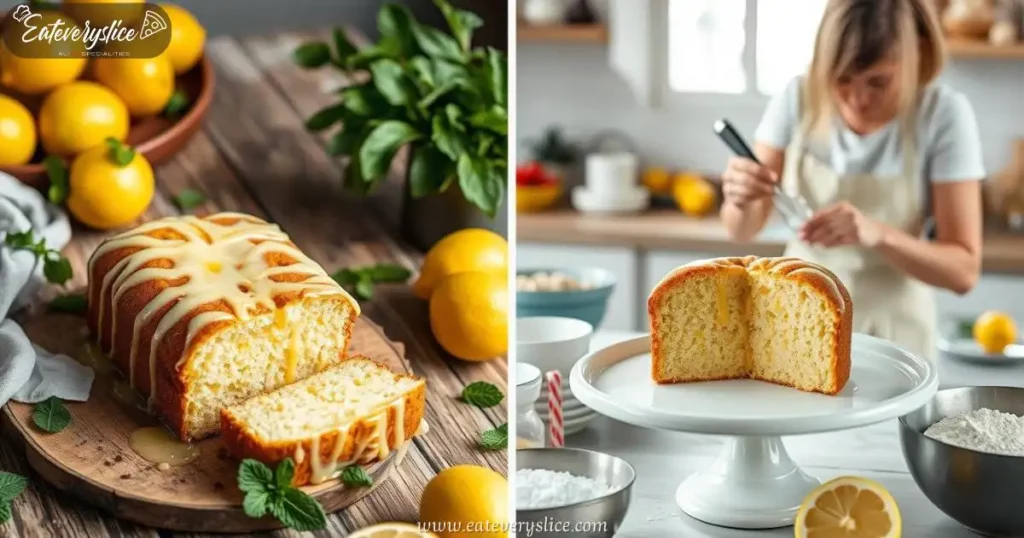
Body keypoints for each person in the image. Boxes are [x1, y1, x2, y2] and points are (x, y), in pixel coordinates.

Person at [720, 0, 984, 361]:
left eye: (879, 82)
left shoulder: (941, 114)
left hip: (896, 335)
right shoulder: (797, 97)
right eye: (842, 79)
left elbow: (963, 272)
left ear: (916, 55)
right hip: (795, 318)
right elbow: (742, 230)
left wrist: (877, 233)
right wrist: (739, 197)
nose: (858, 99)